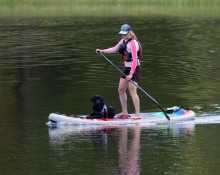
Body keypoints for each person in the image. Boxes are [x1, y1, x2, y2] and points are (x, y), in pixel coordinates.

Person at [96, 24, 142, 119]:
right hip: (127, 68)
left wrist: (131, 74)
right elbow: (114, 49)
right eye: (122, 34)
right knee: (121, 89)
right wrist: (102, 51)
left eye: (125, 34)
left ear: (129, 33)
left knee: (132, 90)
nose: (123, 36)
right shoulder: (123, 41)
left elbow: (134, 60)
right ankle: (125, 111)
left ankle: (137, 114)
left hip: (135, 68)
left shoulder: (133, 43)